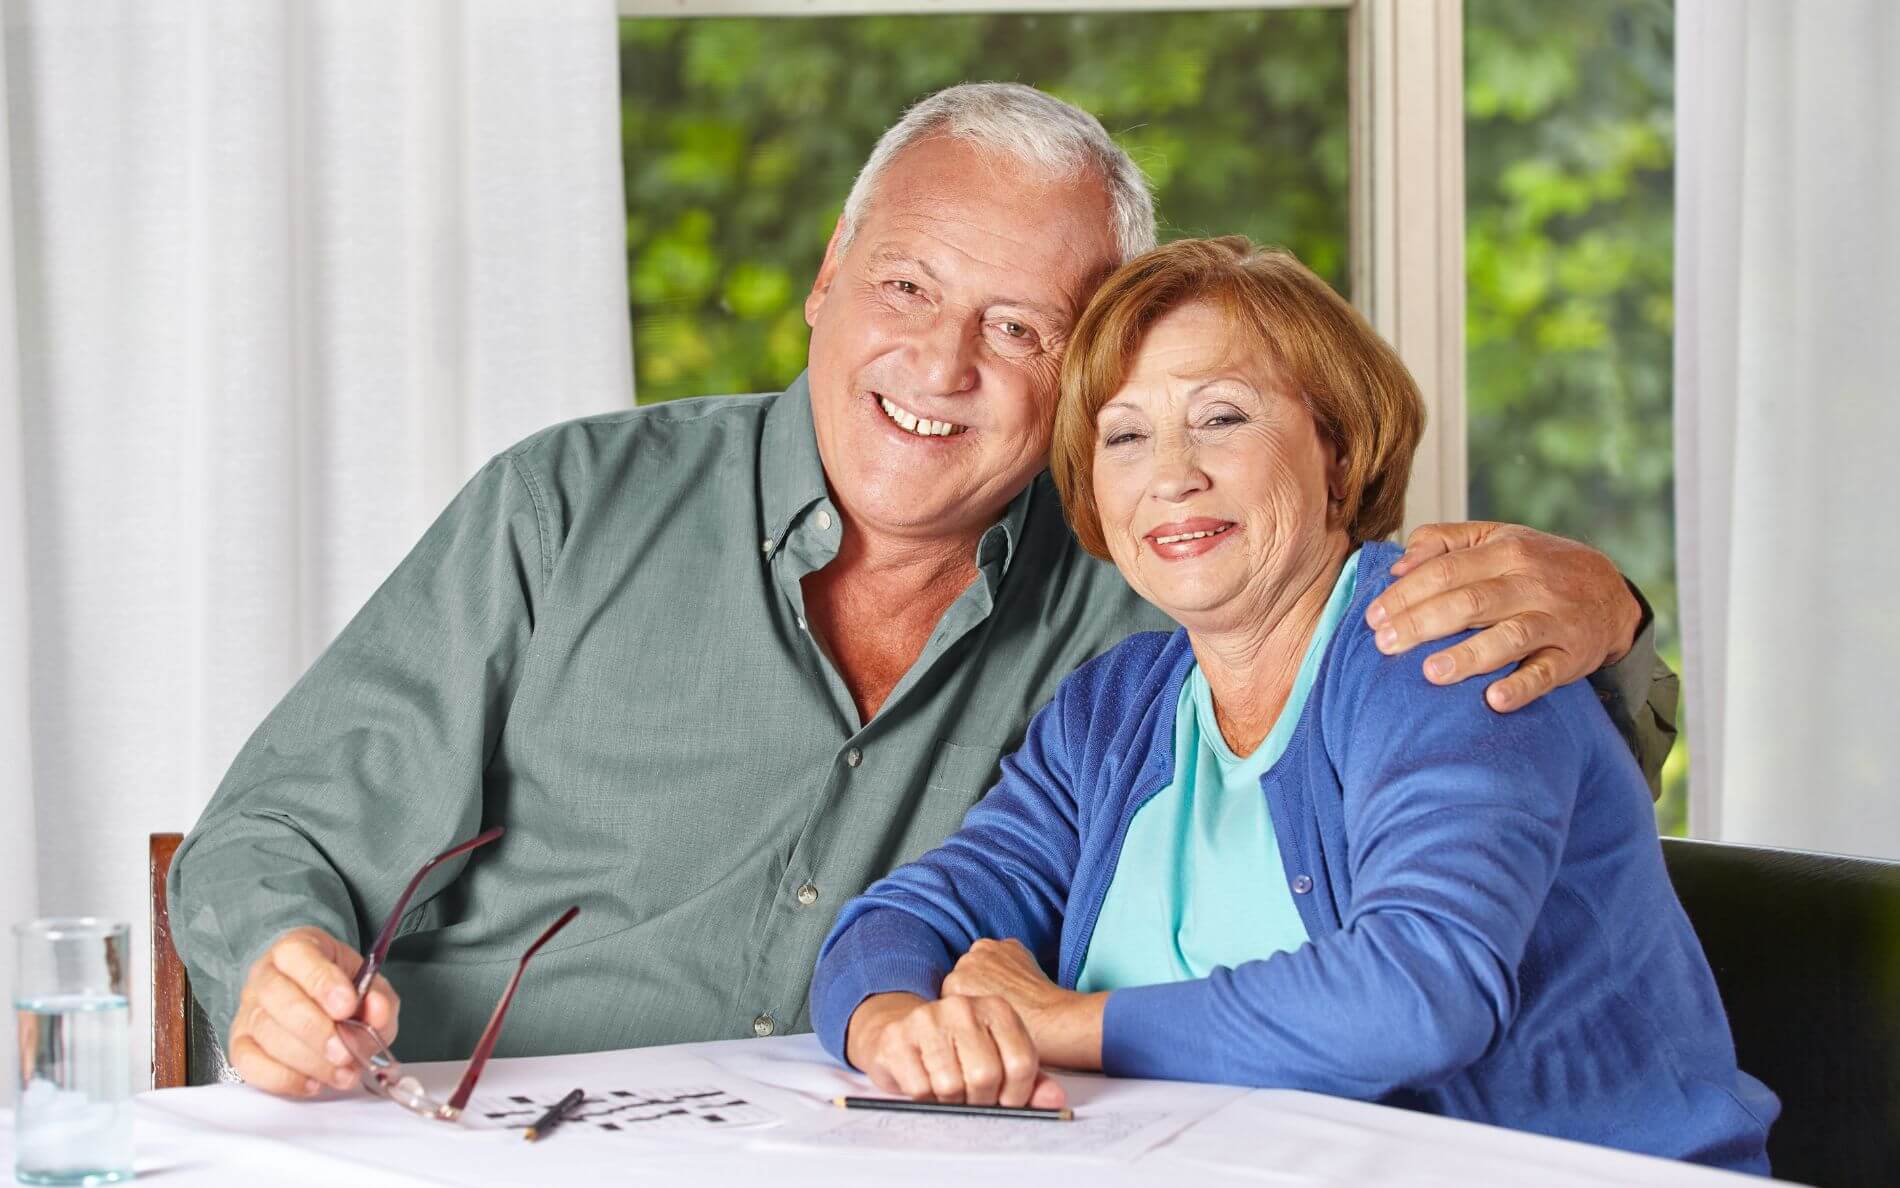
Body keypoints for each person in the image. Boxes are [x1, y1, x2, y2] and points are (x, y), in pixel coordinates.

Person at [171, 84, 1675, 1101]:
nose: (942, 369)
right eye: (907, 288)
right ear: (829, 273)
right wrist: (279, 965)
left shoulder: (1141, 594)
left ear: (1077, 378)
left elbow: (1450, 724)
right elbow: (273, 837)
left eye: (1020, 328)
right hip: (480, 1133)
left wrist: (1613, 612)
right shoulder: (566, 509)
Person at [811, 237, 1776, 1172]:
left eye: (1222, 417)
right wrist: (902, 1023)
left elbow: (1419, 991)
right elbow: (909, 917)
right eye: (1127, 436)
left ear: (1340, 453)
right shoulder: (1116, 707)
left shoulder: (1441, 637)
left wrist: (1062, 1020)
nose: (1171, 474)